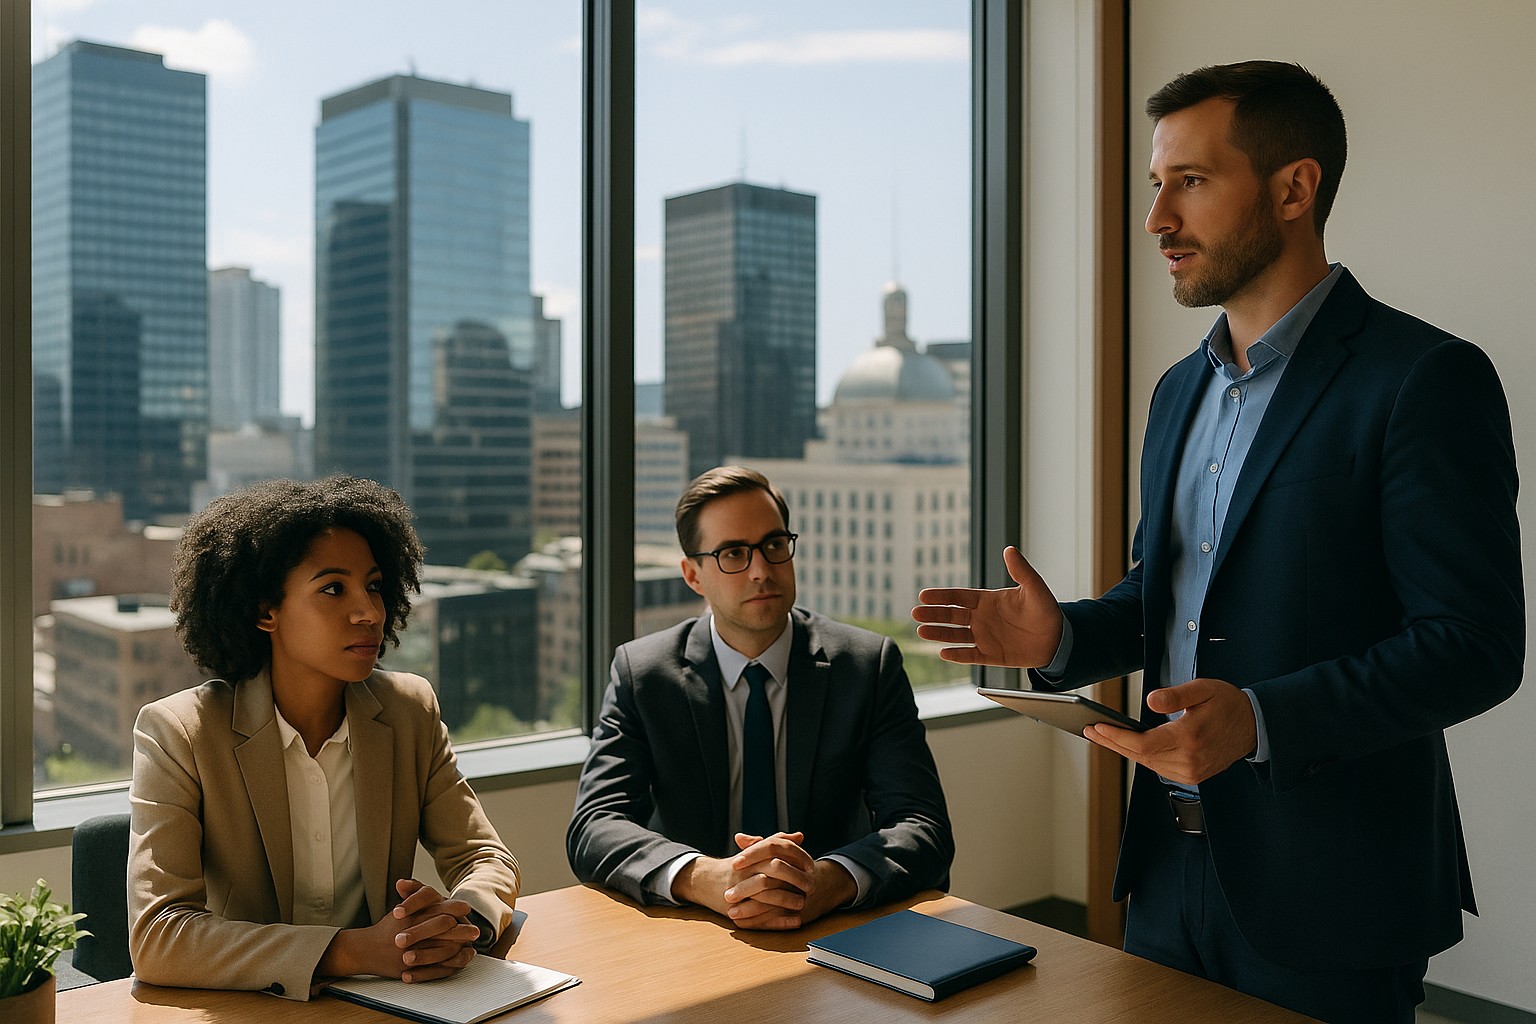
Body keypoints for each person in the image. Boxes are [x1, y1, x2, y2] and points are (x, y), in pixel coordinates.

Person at [912, 61, 1522, 1024]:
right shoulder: (1177, 393)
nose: (1158, 219)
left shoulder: (1424, 379)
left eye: (1190, 182)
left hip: (1335, 890)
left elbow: (1475, 644)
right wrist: (1060, 641)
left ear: (1294, 188)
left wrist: (1260, 718)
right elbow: (1166, 596)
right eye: (1156, 186)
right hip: (1165, 869)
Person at [128, 476, 520, 1000]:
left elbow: (484, 857)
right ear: (266, 611)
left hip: (387, 1003)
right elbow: (159, 937)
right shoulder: (180, 733)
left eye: (375, 585)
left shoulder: (409, 711)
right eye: (333, 588)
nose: (369, 612)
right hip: (250, 1011)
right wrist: (352, 950)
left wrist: (458, 924)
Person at [567, 466, 953, 930]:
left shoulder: (866, 666)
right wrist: (705, 876)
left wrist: (828, 881)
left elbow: (923, 826)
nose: (761, 571)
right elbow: (594, 824)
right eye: (733, 553)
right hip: (698, 932)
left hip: (835, 930)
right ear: (693, 575)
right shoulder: (645, 674)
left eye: (773, 545)